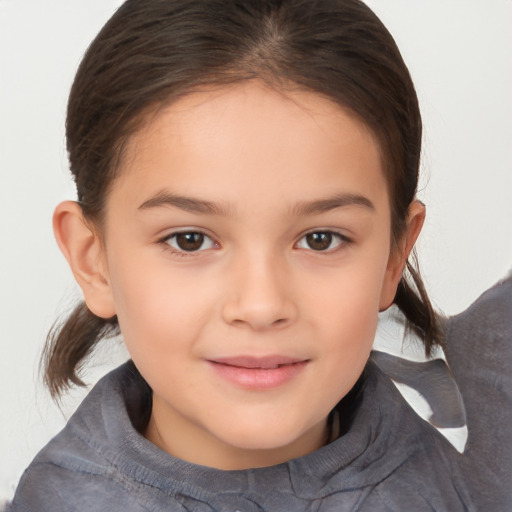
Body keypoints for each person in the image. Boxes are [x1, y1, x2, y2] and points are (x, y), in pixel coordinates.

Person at [5, 0, 511, 510]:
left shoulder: (486, 455)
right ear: (93, 260)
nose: (262, 305)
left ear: (392, 256)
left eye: (321, 239)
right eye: (190, 240)